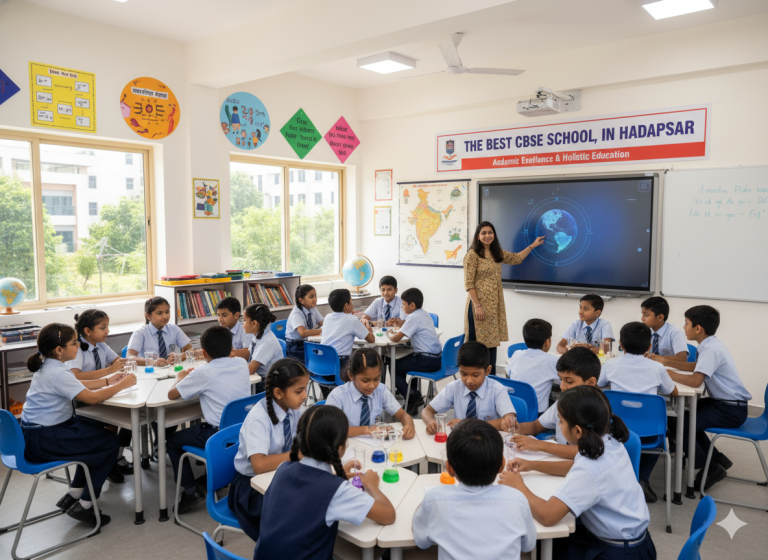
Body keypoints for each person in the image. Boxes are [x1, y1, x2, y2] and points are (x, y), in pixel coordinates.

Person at [500, 386, 656, 560]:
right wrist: (532, 465)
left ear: (577, 431)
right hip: (637, 543)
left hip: (618, 553)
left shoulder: (590, 467)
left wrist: (519, 487)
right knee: (547, 545)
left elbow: (547, 515)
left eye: (560, 421)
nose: (558, 425)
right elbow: (577, 468)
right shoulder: (608, 441)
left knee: (539, 545)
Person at [21, 323, 137, 527]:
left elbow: (78, 386)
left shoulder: (49, 367)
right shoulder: (59, 373)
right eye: (74, 343)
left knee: (94, 433)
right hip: (45, 440)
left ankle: (75, 493)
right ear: (59, 350)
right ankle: (85, 505)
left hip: (36, 434)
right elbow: (90, 398)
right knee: (109, 443)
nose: (78, 346)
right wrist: (121, 385)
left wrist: (109, 381)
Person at [254, 405, 396, 560]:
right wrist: (371, 485)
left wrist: (335, 475)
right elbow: (388, 515)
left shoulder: (283, 468)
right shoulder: (336, 490)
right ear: (341, 447)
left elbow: (309, 491)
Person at [413, 419, 536, 559]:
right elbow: (528, 545)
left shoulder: (434, 500)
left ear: (449, 468)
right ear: (502, 465)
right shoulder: (518, 500)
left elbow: (422, 542)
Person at [666, 305, 751, 492]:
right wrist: (664, 363)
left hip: (730, 409)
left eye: (686, 324)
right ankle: (717, 458)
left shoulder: (711, 349)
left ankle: (712, 469)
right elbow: (697, 366)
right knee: (682, 416)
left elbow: (696, 381)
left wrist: (668, 374)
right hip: (725, 403)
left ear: (698, 329)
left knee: (683, 424)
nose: (683, 327)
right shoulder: (710, 344)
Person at [166, 326, 250, 512]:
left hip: (217, 435)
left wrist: (180, 376)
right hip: (241, 431)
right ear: (230, 348)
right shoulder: (242, 364)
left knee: (172, 441)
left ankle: (190, 492)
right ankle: (213, 477)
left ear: (203, 353)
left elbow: (172, 395)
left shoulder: (203, 372)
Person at [229, 359, 310, 542]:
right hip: (250, 487)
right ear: (278, 393)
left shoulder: (293, 408)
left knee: (313, 497)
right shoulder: (259, 419)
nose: (304, 396)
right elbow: (259, 465)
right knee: (296, 513)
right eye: (299, 391)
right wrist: (297, 454)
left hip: (280, 474)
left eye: (305, 389)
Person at [597, 321, 678, 503]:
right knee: (660, 436)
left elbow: (600, 384)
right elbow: (673, 392)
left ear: (621, 344)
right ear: (649, 346)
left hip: (615, 430)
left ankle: (623, 478)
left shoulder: (610, 365)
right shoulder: (657, 368)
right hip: (650, 433)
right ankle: (643, 478)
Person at [463, 221, 545, 375]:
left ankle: (491, 379)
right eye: (484, 233)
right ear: (478, 236)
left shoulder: (496, 252)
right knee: (477, 348)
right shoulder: (472, 255)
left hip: (493, 307)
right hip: (478, 307)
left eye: (490, 232)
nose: (487, 236)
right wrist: (477, 306)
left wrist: (533, 245)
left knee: (491, 345)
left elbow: (516, 258)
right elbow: (468, 284)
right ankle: (475, 379)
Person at [67, 310, 130, 484]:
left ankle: (114, 458)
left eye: (107, 326)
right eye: (103, 327)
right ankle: (109, 461)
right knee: (115, 420)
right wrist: (109, 371)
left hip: (103, 394)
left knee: (126, 418)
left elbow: (118, 361)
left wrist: (123, 365)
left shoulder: (101, 344)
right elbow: (75, 376)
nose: (107, 331)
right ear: (87, 331)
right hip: (84, 400)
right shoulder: (77, 348)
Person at [513, 347, 601, 461]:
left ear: (591, 382)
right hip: (559, 462)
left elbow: (584, 452)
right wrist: (515, 427)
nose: (562, 386)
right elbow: (536, 426)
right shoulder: (563, 402)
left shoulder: (599, 411)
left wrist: (540, 445)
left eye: (569, 381)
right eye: (561, 379)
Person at [422, 341, 517, 433]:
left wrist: (469, 425)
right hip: (462, 441)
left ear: (488, 370)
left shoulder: (497, 390)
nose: (469, 381)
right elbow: (427, 411)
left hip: (488, 441)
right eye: (463, 374)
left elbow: (510, 421)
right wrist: (430, 422)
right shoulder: (454, 387)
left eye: (475, 375)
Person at [326, 348, 416, 439]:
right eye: (365, 381)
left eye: (377, 379)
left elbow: (403, 415)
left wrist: (409, 427)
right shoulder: (337, 396)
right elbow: (332, 429)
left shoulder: (381, 390)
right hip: (347, 446)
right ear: (351, 375)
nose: (372, 386)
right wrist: (367, 429)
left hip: (374, 446)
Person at [387, 287, 441, 414]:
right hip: (437, 360)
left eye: (404, 304)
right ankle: (412, 397)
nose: (402, 307)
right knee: (409, 360)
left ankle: (412, 397)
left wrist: (389, 333)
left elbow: (395, 338)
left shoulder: (413, 318)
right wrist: (402, 323)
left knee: (394, 366)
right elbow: (411, 324)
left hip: (426, 360)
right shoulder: (423, 313)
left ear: (412, 305)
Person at [505, 318, 559, 414]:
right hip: (538, 413)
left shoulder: (516, 355)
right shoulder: (553, 361)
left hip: (514, 408)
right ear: (547, 342)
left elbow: (507, 374)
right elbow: (563, 382)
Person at [321, 288, 375, 376]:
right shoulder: (352, 320)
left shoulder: (327, 317)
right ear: (346, 306)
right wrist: (369, 329)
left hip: (322, 366)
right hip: (341, 367)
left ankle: (329, 390)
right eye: (351, 301)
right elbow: (371, 340)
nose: (352, 304)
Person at [127, 296, 192, 366]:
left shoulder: (174, 329)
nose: (165, 316)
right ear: (148, 316)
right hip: (150, 372)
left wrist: (181, 356)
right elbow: (129, 357)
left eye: (167, 312)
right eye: (159, 313)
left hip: (172, 370)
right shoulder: (140, 333)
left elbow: (190, 348)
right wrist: (152, 362)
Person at [243, 304, 283, 390]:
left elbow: (251, 369)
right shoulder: (258, 334)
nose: (242, 323)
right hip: (260, 377)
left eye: (244, 320)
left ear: (254, 323)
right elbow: (249, 353)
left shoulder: (267, 341)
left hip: (267, 383)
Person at [640, 296, 689, 364]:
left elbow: (683, 359)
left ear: (660, 317)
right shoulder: (644, 331)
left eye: (646, 315)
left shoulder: (674, 332)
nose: (642, 319)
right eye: (642, 314)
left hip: (669, 371)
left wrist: (655, 357)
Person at [285, 284, 324, 364]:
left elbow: (323, 322)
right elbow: (303, 333)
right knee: (320, 356)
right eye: (311, 297)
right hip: (295, 346)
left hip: (308, 342)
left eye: (315, 296)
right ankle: (315, 373)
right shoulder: (297, 313)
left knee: (325, 351)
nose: (315, 299)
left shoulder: (313, 309)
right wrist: (322, 330)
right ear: (301, 300)